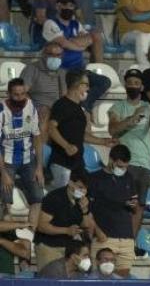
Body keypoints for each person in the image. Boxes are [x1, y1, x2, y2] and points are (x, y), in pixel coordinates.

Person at [107, 68, 150, 244]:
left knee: (139, 207)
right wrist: (134, 117)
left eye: (136, 83)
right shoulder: (117, 107)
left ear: (141, 87)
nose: (133, 86)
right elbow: (112, 129)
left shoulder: (149, 108)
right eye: (130, 83)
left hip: (144, 163)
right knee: (120, 204)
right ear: (125, 86)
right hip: (124, 163)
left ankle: (130, 242)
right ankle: (115, 239)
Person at [46, 71, 107, 190]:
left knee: (86, 196)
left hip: (77, 164)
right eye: (86, 85)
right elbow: (51, 128)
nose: (88, 89)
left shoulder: (78, 108)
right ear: (77, 85)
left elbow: (80, 134)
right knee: (63, 201)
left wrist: (103, 141)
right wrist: (66, 146)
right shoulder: (61, 105)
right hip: (62, 163)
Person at [85, 145, 138, 277]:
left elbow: (135, 207)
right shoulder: (94, 179)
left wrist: (134, 205)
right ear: (111, 160)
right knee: (99, 278)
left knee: (123, 282)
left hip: (126, 238)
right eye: (120, 166)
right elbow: (86, 210)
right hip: (104, 237)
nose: (123, 169)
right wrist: (98, 232)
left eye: (125, 166)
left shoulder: (129, 178)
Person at [32, 168, 92, 270]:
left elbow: (85, 225)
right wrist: (66, 230)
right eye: (80, 187)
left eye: (85, 188)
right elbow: (42, 226)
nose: (82, 191)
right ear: (70, 183)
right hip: (49, 247)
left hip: (69, 249)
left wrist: (85, 209)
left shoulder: (83, 200)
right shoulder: (54, 197)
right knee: (51, 280)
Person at [0, 78, 43, 215]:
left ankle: (32, 231)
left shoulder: (31, 107)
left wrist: (39, 167)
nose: (20, 98)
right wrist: (3, 173)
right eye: (16, 95)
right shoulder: (1, 111)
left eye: (23, 94)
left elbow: (37, 137)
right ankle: (10, 233)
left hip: (28, 160)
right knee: (6, 199)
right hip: (7, 160)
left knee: (38, 197)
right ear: (9, 94)